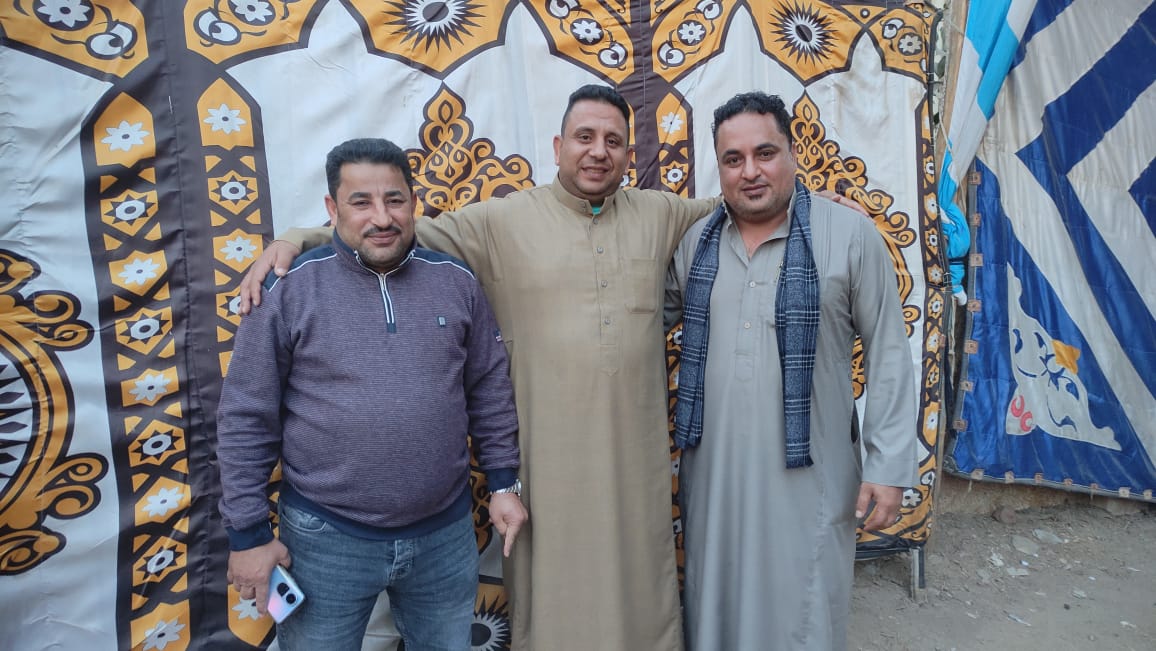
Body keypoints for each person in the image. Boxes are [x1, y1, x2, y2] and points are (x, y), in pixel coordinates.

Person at [238, 86, 719, 650]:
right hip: (377, 517)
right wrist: (295, 239)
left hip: (616, 468)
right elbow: (393, 232)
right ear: (558, 146)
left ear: (628, 154)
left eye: (613, 141)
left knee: (639, 583)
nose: (598, 151)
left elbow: (733, 203)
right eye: (584, 137)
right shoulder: (500, 222)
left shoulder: (661, 212)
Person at [217, 137, 527, 651]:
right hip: (322, 539)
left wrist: (503, 483)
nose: (381, 218)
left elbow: (489, 390)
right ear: (332, 208)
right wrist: (247, 536)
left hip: (444, 536)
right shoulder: (287, 287)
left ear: (414, 202)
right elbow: (245, 417)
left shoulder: (456, 281)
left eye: (395, 200)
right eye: (361, 202)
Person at [664, 91, 917, 650]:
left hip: (811, 474)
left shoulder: (848, 235)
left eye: (765, 153)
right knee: (715, 603)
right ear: (719, 167)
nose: (750, 172)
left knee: (803, 609)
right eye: (733, 159)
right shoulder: (694, 243)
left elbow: (889, 352)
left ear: (793, 154)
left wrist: (888, 465)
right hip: (714, 476)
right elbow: (638, 323)